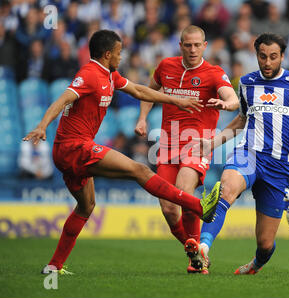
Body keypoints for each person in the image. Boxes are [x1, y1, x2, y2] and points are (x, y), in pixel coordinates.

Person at [22, 29, 222, 275]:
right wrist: (42, 125)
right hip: (74, 147)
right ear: (107, 54)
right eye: (119, 52)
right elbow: (62, 99)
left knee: (86, 207)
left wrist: (176, 101)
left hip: (70, 153)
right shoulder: (89, 74)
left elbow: (139, 91)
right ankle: (200, 206)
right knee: (138, 169)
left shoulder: (110, 75)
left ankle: (53, 266)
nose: (121, 56)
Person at [189, 33, 289, 274]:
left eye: (273, 57)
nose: (267, 62)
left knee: (265, 243)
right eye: (263, 57)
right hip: (249, 153)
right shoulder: (246, 82)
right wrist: (212, 143)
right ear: (256, 55)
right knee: (226, 189)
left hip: (280, 167)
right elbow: (241, 121)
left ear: (282, 57)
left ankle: (256, 264)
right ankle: (202, 248)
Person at [135, 25, 239, 274]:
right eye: (188, 45)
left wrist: (226, 103)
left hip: (198, 143)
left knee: (183, 190)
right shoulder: (165, 67)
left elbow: (233, 98)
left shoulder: (214, 73)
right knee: (169, 208)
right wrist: (142, 118)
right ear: (180, 45)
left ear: (205, 46)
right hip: (168, 144)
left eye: (197, 45)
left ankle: (203, 209)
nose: (192, 49)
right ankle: (194, 252)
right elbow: (149, 92)